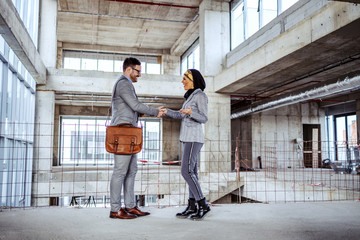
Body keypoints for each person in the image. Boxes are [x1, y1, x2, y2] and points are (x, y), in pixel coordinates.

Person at [109, 57, 164, 219]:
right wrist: (154, 111)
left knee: (131, 170)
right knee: (120, 171)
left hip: (129, 132)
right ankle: (115, 209)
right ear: (128, 70)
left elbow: (132, 108)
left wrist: (146, 112)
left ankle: (130, 206)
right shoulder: (123, 84)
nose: (139, 75)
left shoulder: (126, 84)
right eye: (137, 71)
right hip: (123, 132)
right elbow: (135, 105)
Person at [162, 69, 210, 221]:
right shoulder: (189, 98)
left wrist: (191, 113)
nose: (182, 81)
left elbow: (204, 118)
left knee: (186, 172)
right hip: (187, 138)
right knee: (192, 173)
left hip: (194, 139)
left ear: (193, 80)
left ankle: (203, 204)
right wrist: (166, 111)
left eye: (185, 78)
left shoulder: (200, 96)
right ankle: (192, 206)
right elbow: (179, 114)